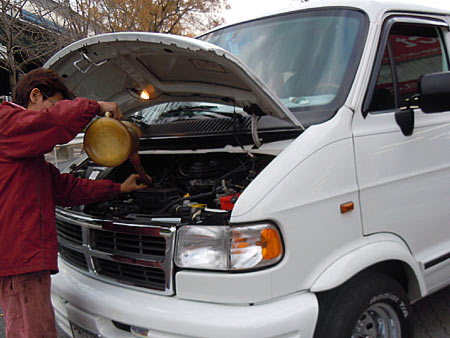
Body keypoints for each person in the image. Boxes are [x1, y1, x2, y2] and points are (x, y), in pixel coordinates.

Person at [0, 68, 149, 338]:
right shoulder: (5, 121)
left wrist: (118, 187)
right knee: (32, 332)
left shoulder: (25, 152)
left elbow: (66, 188)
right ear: (35, 95)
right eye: (54, 104)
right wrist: (95, 107)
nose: (54, 111)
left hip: (28, 260)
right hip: (19, 260)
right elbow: (53, 123)